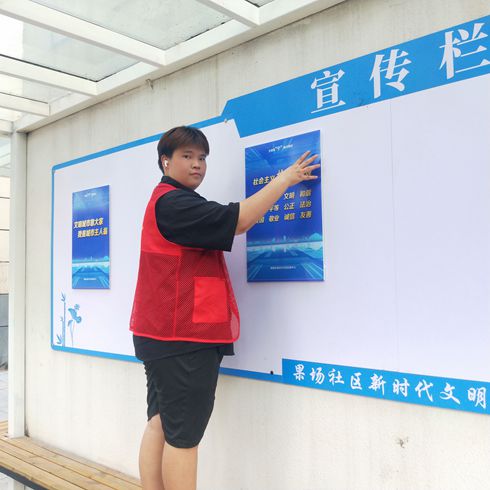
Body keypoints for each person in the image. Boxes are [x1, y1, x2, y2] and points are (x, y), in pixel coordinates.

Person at [130, 126, 319, 490]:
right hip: (182, 337)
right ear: (165, 161)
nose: (197, 164)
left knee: (161, 422)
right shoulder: (175, 203)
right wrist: (286, 178)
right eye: (187, 156)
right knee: (184, 437)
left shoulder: (166, 201)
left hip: (161, 334)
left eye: (202, 158)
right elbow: (241, 219)